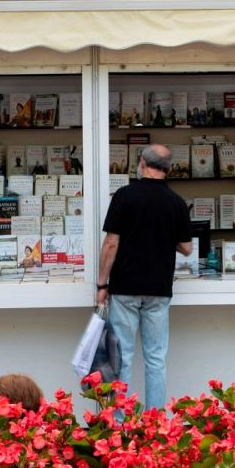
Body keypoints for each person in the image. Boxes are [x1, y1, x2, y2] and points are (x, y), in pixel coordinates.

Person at [97, 144, 192, 414]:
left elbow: (111, 244)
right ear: (169, 169)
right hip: (158, 289)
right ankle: (155, 423)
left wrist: (102, 284)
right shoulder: (176, 202)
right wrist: (163, 236)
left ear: (141, 163)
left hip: (125, 287)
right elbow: (187, 248)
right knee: (156, 359)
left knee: (122, 358)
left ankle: (120, 423)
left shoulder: (124, 196)